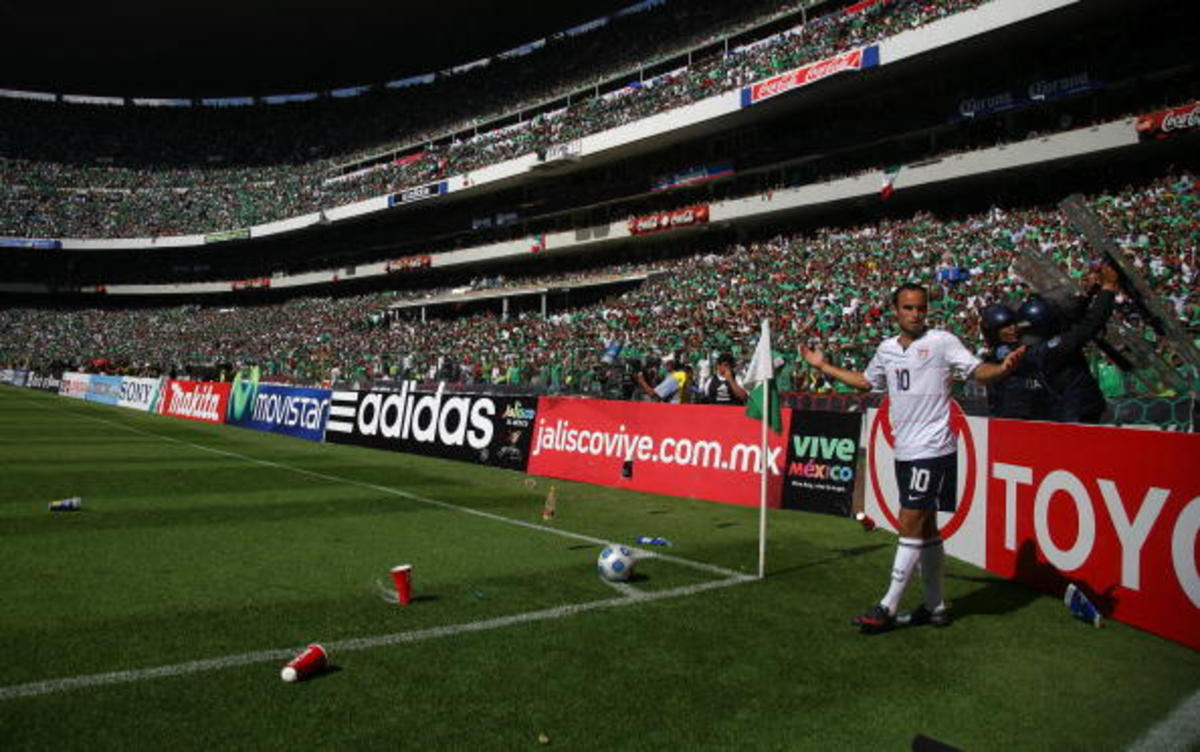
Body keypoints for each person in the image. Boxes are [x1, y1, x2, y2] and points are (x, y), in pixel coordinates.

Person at [800, 283, 1025, 632]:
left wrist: (1002, 369)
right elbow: (866, 382)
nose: (916, 314)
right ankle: (935, 606)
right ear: (896, 311)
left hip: (933, 448)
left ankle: (888, 606)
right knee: (927, 526)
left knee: (909, 520)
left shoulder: (941, 341)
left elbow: (976, 370)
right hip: (905, 449)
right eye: (908, 308)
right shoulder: (887, 349)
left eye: (921, 308)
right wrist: (824, 366)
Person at [1015, 261, 1119, 424]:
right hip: (1075, 413)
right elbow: (1088, 327)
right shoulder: (1048, 349)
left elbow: (1069, 317)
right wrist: (1108, 287)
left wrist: (1090, 292)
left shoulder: (1035, 343)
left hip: (1073, 409)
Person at [979, 303, 1044, 419]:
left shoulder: (1024, 347)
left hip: (1036, 414)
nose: (1012, 328)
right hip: (1012, 417)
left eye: (1013, 324)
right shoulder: (1001, 355)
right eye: (1006, 326)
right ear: (994, 332)